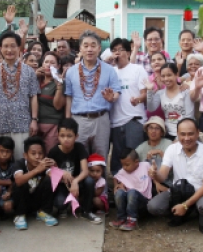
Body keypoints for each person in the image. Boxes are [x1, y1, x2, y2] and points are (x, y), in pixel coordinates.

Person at [147, 118, 203, 234]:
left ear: (197, 133)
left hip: (201, 192)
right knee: (153, 206)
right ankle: (184, 213)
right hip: (179, 191)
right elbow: (163, 175)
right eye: (183, 134)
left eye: (191, 134)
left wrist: (185, 206)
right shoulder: (172, 149)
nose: (186, 138)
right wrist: (155, 174)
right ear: (177, 134)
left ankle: (201, 217)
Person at [65, 30, 121, 166]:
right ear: (80, 48)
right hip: (79, 120)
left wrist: (111, 98)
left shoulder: (109, 70)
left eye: (93, 45)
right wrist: (67, 123)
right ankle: (81, 187)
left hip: (101, 120)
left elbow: (116, 93)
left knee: (100, 159)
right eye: (86, 45)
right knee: (79, 159)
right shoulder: (71, 71)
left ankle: (101, 187)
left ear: (99, 48)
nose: (89, 49)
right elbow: (69, 98)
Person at [0, 31, 40, 160]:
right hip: (0, 124)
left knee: (21, 160)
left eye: (13, 46)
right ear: (0, 48)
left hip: (22, 124)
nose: (9, 50)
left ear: (19, 47)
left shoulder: (29, 71)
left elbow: (34, 96)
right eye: (5, 46)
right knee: (2, 163)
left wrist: (34, 120)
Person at [47, 118, 101, 223]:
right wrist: (63, 175)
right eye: (62, 136)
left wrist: (75, 181)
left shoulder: (79, 148)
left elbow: (85, 171)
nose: (66, 139)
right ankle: (62, 208)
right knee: (59, 203)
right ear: (58, 135)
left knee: (89, 181)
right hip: (62, 184)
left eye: (69, 136)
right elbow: (51, 173)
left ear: (76, 136)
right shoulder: (53, 151)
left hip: (76, 181)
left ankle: (86, 211)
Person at [109, 38, 148, 173]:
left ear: (128, 52)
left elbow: (145, 94)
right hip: (115, 122)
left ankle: (138, 188)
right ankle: (118, 187)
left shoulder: (137, 69)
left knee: (134, 157)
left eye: (120, 50)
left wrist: (138, 99)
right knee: (118, 158)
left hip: (134, 120)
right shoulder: (110, 71)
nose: (117, 53)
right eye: (114, 50)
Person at [10, 136, 58, 230]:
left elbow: (55, 179)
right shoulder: (19, 163)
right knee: (20, 182)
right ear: (25, 155)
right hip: (22, 200)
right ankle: (20, 215)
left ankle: (43, 212)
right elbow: (18, 181)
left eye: (40, 153)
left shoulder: (44, 164)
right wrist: (37, 170)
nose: (37, 157)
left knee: (49, 180)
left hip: (37, 200)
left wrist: (55, 167)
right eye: (33, 153)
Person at [146, 63, 194, 139]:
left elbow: (189, 116)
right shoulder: (160, 93)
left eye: (169, 75)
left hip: (184, 134)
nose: (166, 79)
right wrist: (149, 91)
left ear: (176, 75)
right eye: (163, 76)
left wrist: (178, 138)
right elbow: (151, 108)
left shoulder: (185, 92)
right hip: (167, 133)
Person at [109, 149, 153, 231]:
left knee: (132, 192)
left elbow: (153, 174)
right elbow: (116, 177)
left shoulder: (145, 166)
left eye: (127, 164)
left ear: (136, 162)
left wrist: (157, 183)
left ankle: (132, 220)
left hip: (143, 202)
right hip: (128, 202)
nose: (124, 167)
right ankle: (121, 218)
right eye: (122, 165)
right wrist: (116, 185)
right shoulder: (123, 171)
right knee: (119, 193)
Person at [37, 52, 66, 153]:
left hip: (52, 126)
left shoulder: (60, 82)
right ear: (42, 64)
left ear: (58, 66)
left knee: (50, 156)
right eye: (46, 62)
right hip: (36, 125)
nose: (48, 65)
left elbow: (58, 106)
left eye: (52, 63)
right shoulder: (36, 80)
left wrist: (59, 86)